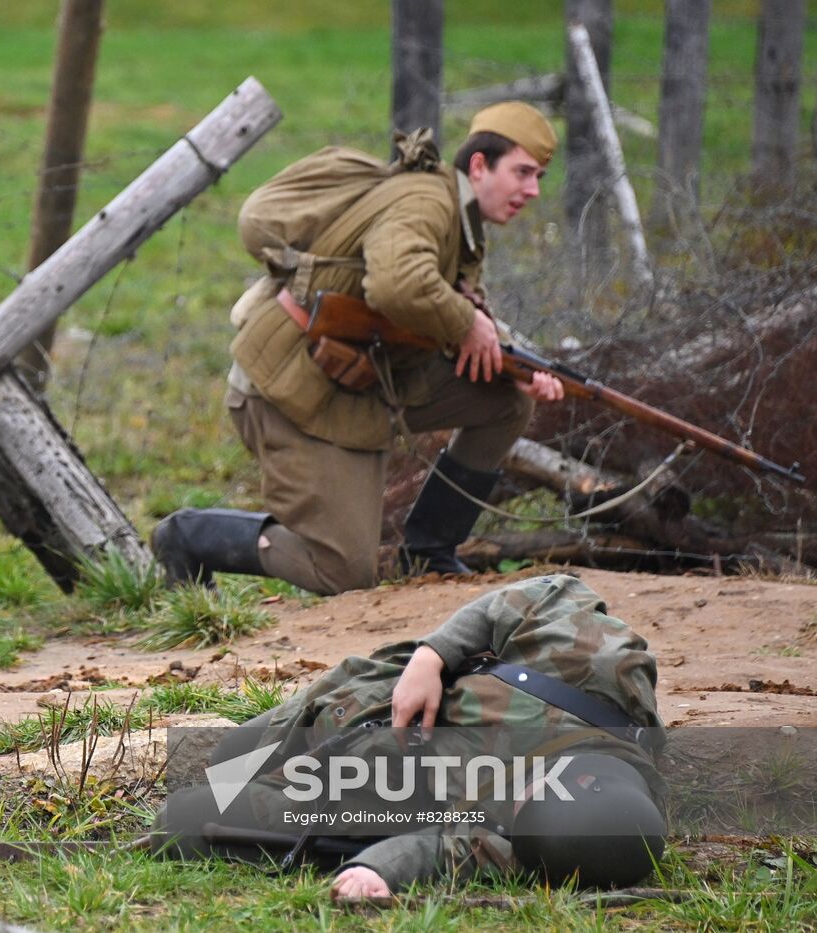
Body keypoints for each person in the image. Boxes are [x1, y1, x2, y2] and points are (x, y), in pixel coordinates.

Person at [153, 103, 567, 595]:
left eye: (538, 176)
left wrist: (515, 362)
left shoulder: (462, 219)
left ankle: (429, 551)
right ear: (479, 166)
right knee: (342, 572)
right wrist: (467, 325)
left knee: (504, 402)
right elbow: (396, 285)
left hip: (362, 383)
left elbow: (456, 309)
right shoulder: (427, 203)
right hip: (292, 392)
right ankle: (186, 536)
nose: (533, 191)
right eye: (522, 173)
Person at [154, 574, 668, 901]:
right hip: (355, 702)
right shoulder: (601, 670)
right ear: (576, 777)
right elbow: (548, 591)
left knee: (182, 821)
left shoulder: (571, 841)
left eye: (519, 814)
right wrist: (434, 655)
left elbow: (459, 853)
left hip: (359, 792)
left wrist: (378, 868)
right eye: (528, 795)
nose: (510, 805)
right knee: (231, 754)